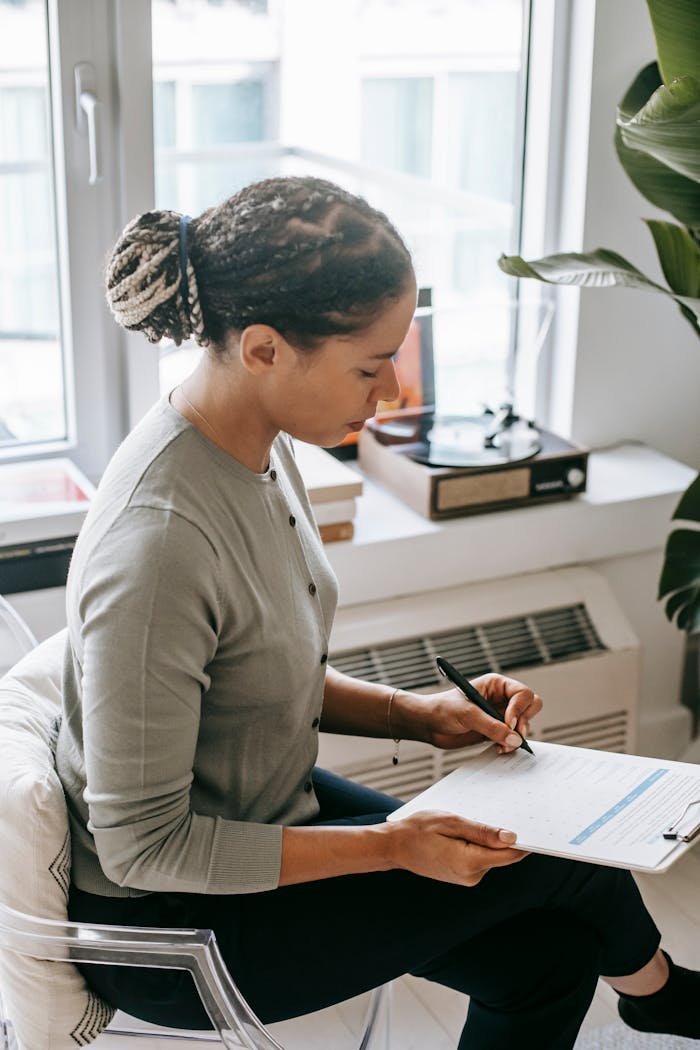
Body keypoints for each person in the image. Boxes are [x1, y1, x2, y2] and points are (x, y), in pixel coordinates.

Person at [56, 175, 700, 1049]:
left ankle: (656, 993)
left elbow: (257, 669)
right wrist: (395, 845)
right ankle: (662, 997)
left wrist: (421, 716)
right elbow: (143, 849)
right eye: (370, 365)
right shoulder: (160, 542)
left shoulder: (251, 446)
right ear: (263, 350)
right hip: (172, 928)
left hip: (260, 810)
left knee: (544, 954)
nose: (392, 390)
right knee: (555, 860)